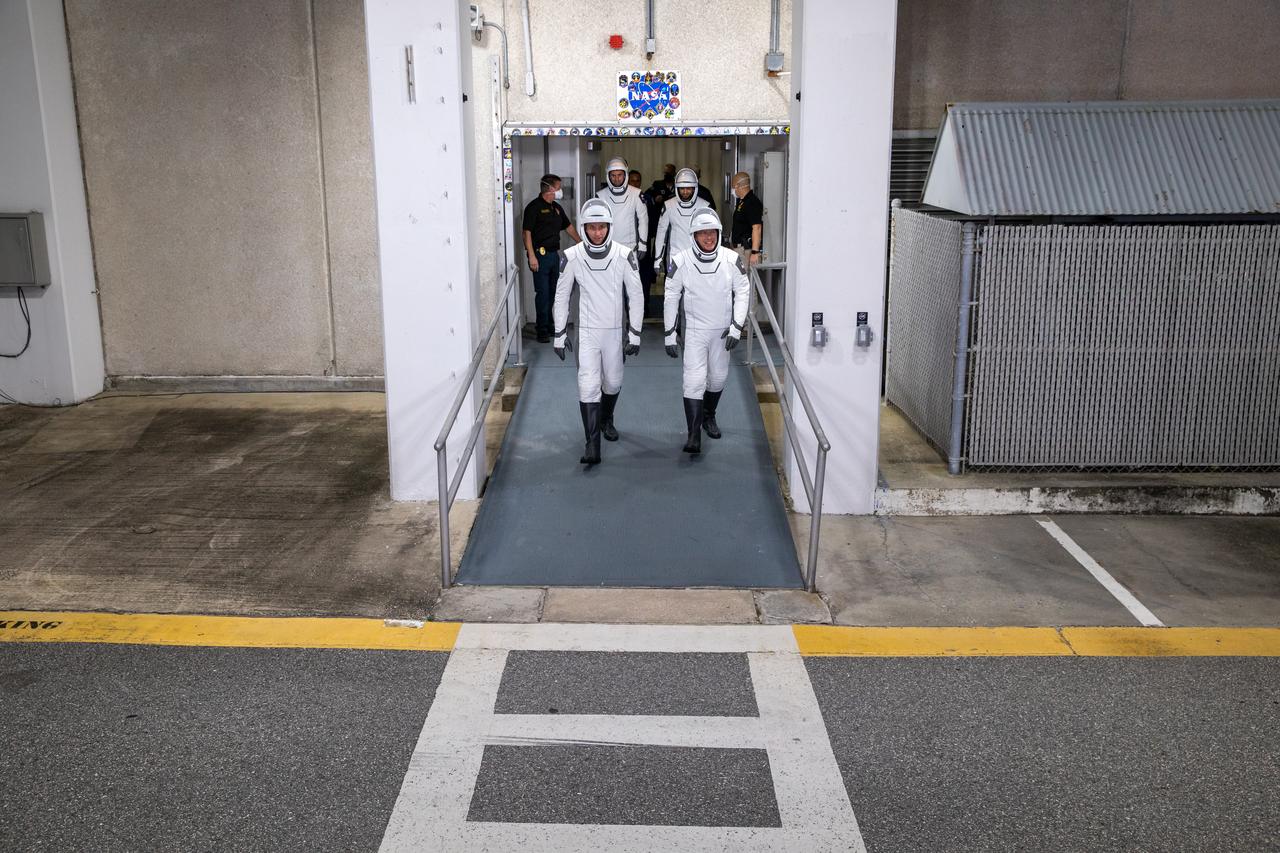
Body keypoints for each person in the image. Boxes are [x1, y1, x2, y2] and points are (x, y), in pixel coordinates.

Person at [553, 198, 644, 466]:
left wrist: (635, 332)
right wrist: (559, 334)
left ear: (609, 226)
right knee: (588, 385)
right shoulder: (572, 257)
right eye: (591, 227)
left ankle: (606, 418)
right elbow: (561, 296)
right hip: (588, 332)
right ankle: (592, 445)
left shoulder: (624, 255)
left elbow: (636, 295)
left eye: (601, 227)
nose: (597, 232)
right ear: (583, 227)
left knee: (613, 382)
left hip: (615, 331)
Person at [663, 208, 749, 454]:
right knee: (693, 380)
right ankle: (693, 434)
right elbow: (670, 297)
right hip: (695, 332)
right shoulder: (681, 261)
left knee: (718, 378)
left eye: (712, 233)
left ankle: (709, 415)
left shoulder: (731, 259)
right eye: (703, 233)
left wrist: (736, 326)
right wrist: (670, 333)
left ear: (719, 233)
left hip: (723, 332)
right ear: (694, 235)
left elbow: (742, 292)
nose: (708, 238)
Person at [522, 174, 581, 342]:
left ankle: (549, 325)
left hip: (554, 256)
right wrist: (531, 256)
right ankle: (541, 330)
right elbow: (526, 233)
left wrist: (581, 243)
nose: (561, 190)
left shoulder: (556, 207)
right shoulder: (533, 208)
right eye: (559, 187)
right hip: (539, 256)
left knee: (554, 293)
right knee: (543, 293)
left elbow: (568, 227)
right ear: (550, 189)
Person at [653, 168, 710, 275]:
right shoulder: (668, 205)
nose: (685, 192)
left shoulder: (704, 206)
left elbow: (711, 235)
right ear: (677, 188)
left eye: (688, 188)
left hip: (698, 256)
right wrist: (658, 259)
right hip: (675, 256)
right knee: (673, 290)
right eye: (682, 188)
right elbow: (661, 233)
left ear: (694, 188)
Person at [595, 157, 649, 255]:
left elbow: (643, 220)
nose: (616, 179)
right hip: (608, 246)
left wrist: (642, 244)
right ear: (608, 176)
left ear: (625, 175)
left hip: (630, 247)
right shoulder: (600, 196)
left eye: (619, 175)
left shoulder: (636, 194)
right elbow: (596, 223)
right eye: (613, 175)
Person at [631, 169, 660, 316]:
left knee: (645, 277)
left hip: (645, 245)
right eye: (633, 180)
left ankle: (645, 305)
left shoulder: (646, 198)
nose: (635, 183)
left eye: (638, 180)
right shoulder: (623, 198)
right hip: (627, 244)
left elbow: (653, 220)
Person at [729, 171, 764, 266]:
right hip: (739, 250)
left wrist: (755, 252)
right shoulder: (742, 202)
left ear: (739, 186)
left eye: (733, 186)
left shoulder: (752, 203)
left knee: (746, 279)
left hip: (746, 251)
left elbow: (757, 227)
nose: (732, 190)